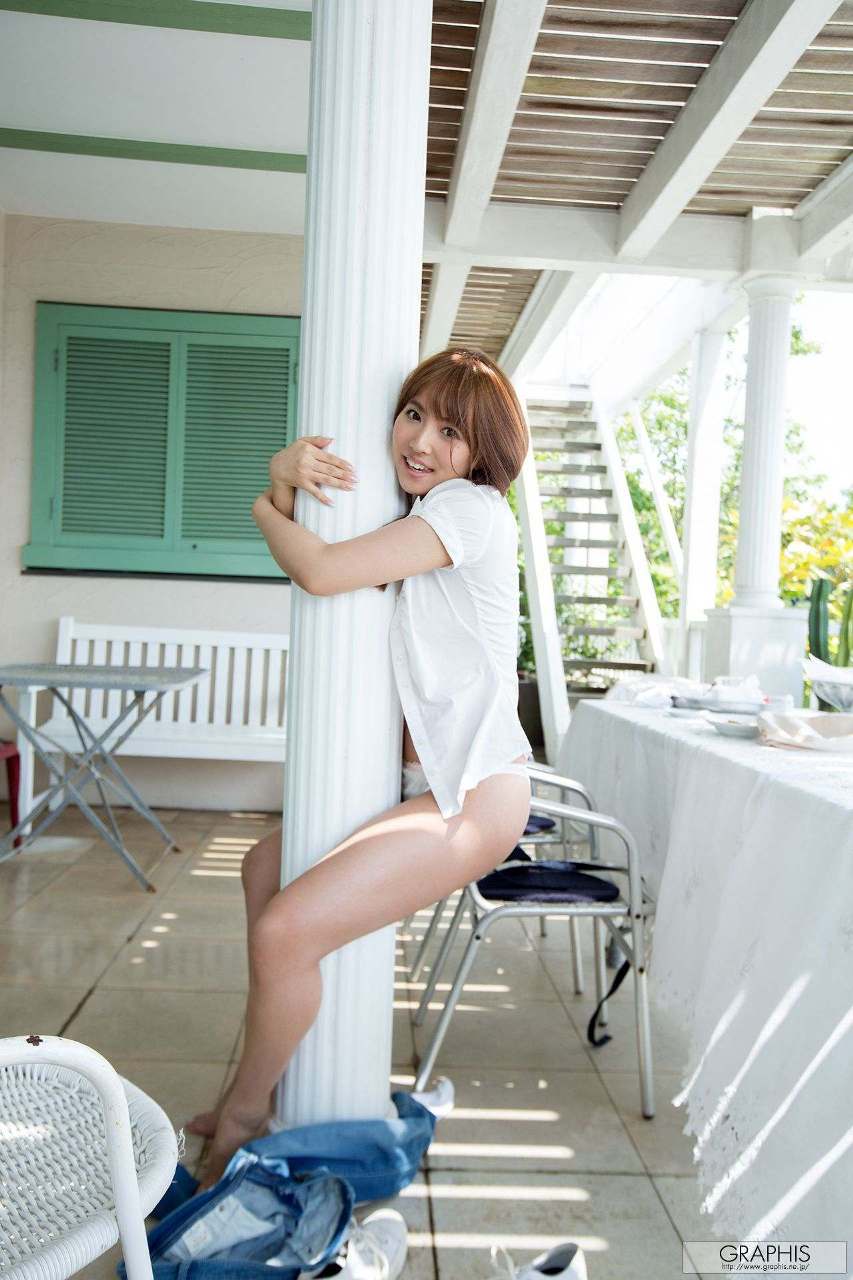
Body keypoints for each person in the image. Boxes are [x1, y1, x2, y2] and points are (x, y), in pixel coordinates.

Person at [188, 347, 535, 1190]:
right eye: (413, 414)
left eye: (450, 431)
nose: (420, 441)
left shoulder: (467, 509)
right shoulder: (423, 519)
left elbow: (320, 569)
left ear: (483, 451)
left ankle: (245, 1114)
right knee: (263, 869)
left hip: (474, 796)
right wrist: (284, 485)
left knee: (284, 931)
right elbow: (331, 564)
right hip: (430, 786)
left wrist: (261, 501)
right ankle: (266, 1081)